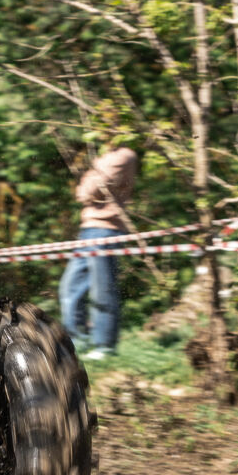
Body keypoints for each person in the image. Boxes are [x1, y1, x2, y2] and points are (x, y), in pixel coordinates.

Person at [59, 146, 139, 360]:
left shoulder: (123, 155)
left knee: (103, 289)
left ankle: (104, 345)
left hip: (106, 229)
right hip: (89, 229)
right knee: (70, 286)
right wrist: (93, 175)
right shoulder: (105, 156)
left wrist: (91, 175)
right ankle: (76, 341)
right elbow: (89, 188)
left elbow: (90, 190)